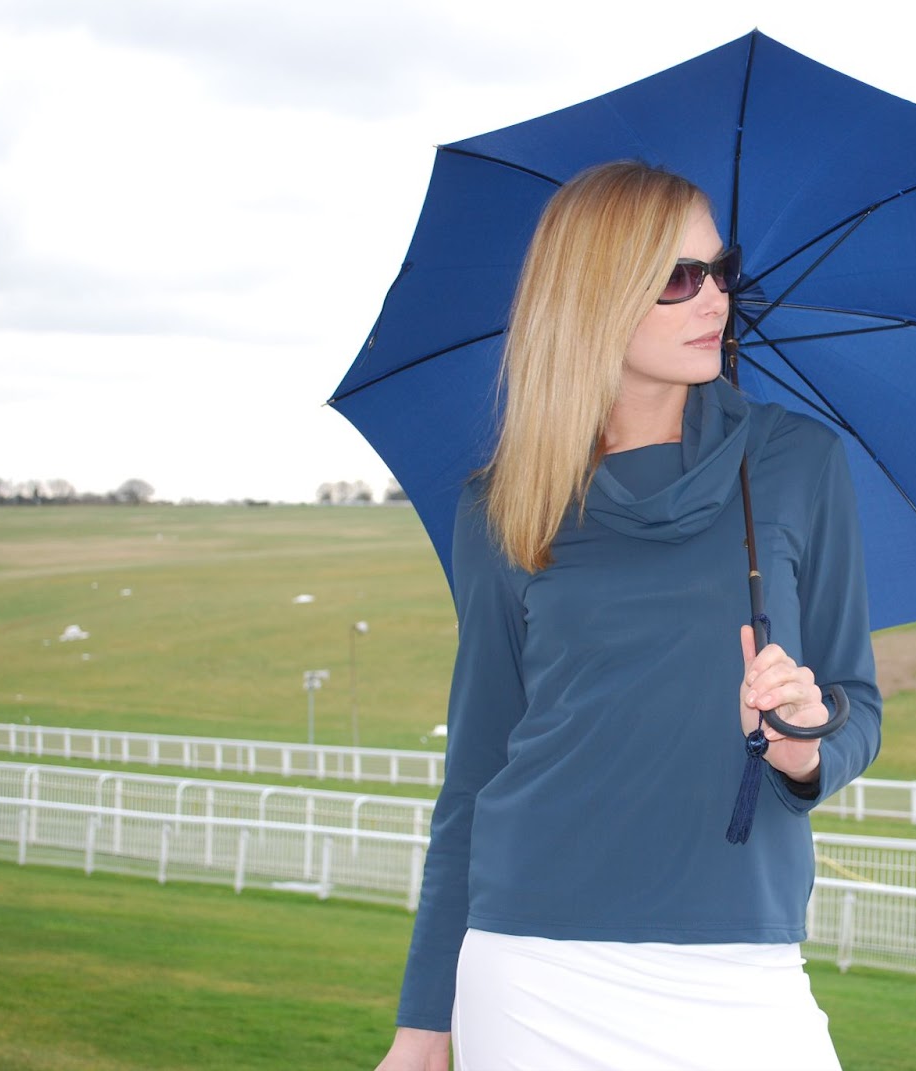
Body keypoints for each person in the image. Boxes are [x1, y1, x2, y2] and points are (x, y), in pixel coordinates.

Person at [374, 161, 882, 1071]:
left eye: (719, 268)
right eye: (676, 278)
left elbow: (858, 704)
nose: (714, 298)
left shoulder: (799, 463)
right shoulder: (506, 501)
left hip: (741, 960)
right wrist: (423, 1027)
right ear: (594, 296)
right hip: (531, 963)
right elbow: (478, 770)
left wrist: (806, 743)